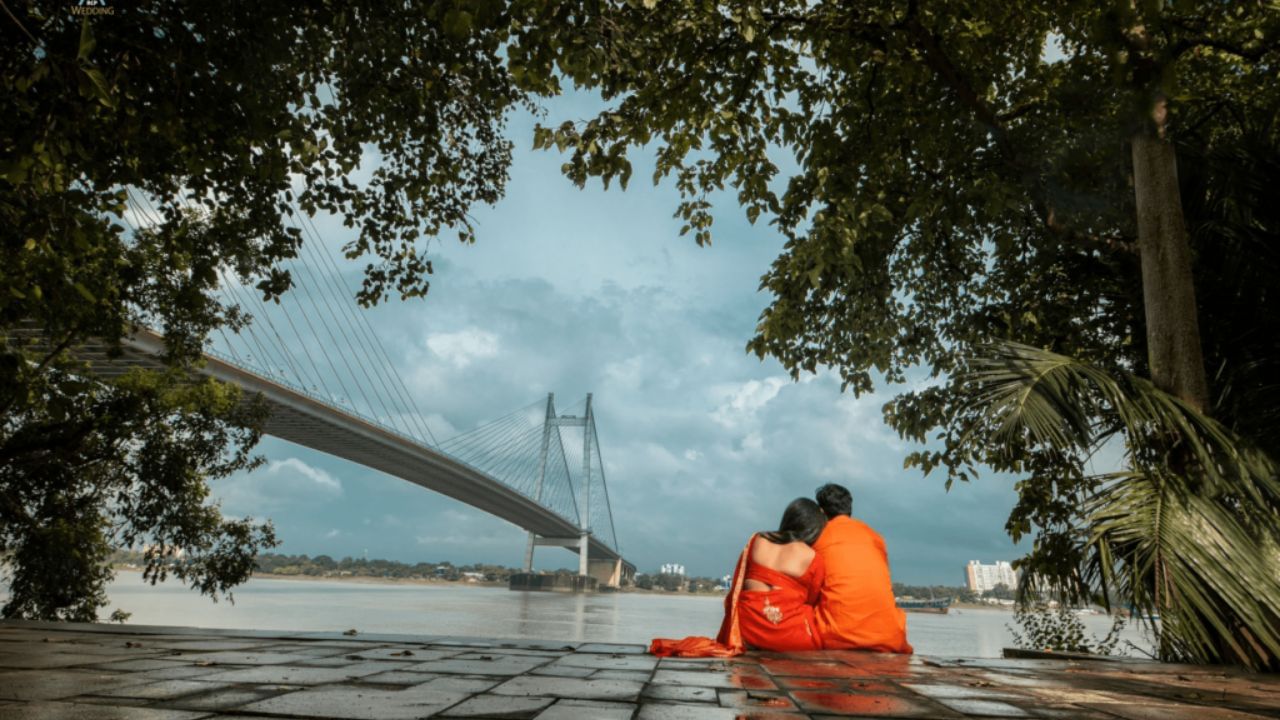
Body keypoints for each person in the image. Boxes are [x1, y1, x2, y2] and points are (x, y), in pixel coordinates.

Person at [649, 498, 828, 657]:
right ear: (813, 529)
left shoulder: (758, 539)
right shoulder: (813, 557)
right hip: (789, 637)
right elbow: (812, 599)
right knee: (813, 623)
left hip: (747, 629)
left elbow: (739, 584)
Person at [811, 483, 913, 653]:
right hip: (889, 637)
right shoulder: (875, 537)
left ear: (821, 512)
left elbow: (810, 589)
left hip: (837, 636)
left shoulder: (817, 536)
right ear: (849, 508)